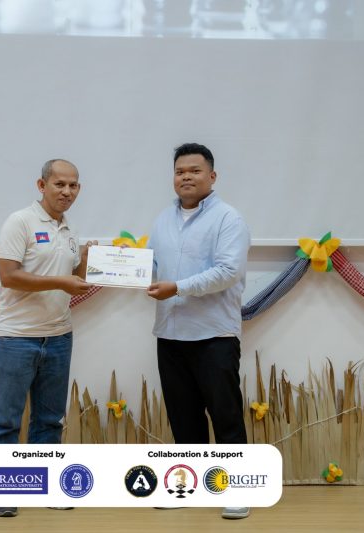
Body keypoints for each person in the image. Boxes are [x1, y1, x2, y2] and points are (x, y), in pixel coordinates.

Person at [147, 143, 251, 520]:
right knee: (183, 418)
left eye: (194, 170)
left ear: (212, 175)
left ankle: (236, 491)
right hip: (170, 334)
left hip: (213, 335)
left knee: (225, 416)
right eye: (180, 172)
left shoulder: (228, 219)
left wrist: (177, 287)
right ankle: (186, 487)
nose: (186, 177)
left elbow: (228, 272)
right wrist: (111, 267)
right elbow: (151, 267)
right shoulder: (163, 219)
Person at [0, 159, 95, 518]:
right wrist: (61, 281)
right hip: (16, 338)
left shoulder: (69, 228)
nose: (67, 191)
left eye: (73, 185)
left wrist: (85, 260)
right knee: (6, 420)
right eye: (59, 184)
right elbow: (9, 276)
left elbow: (73, 276)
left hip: (59, 336)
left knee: (49, 420)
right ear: (42, 185)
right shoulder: (19, 221)